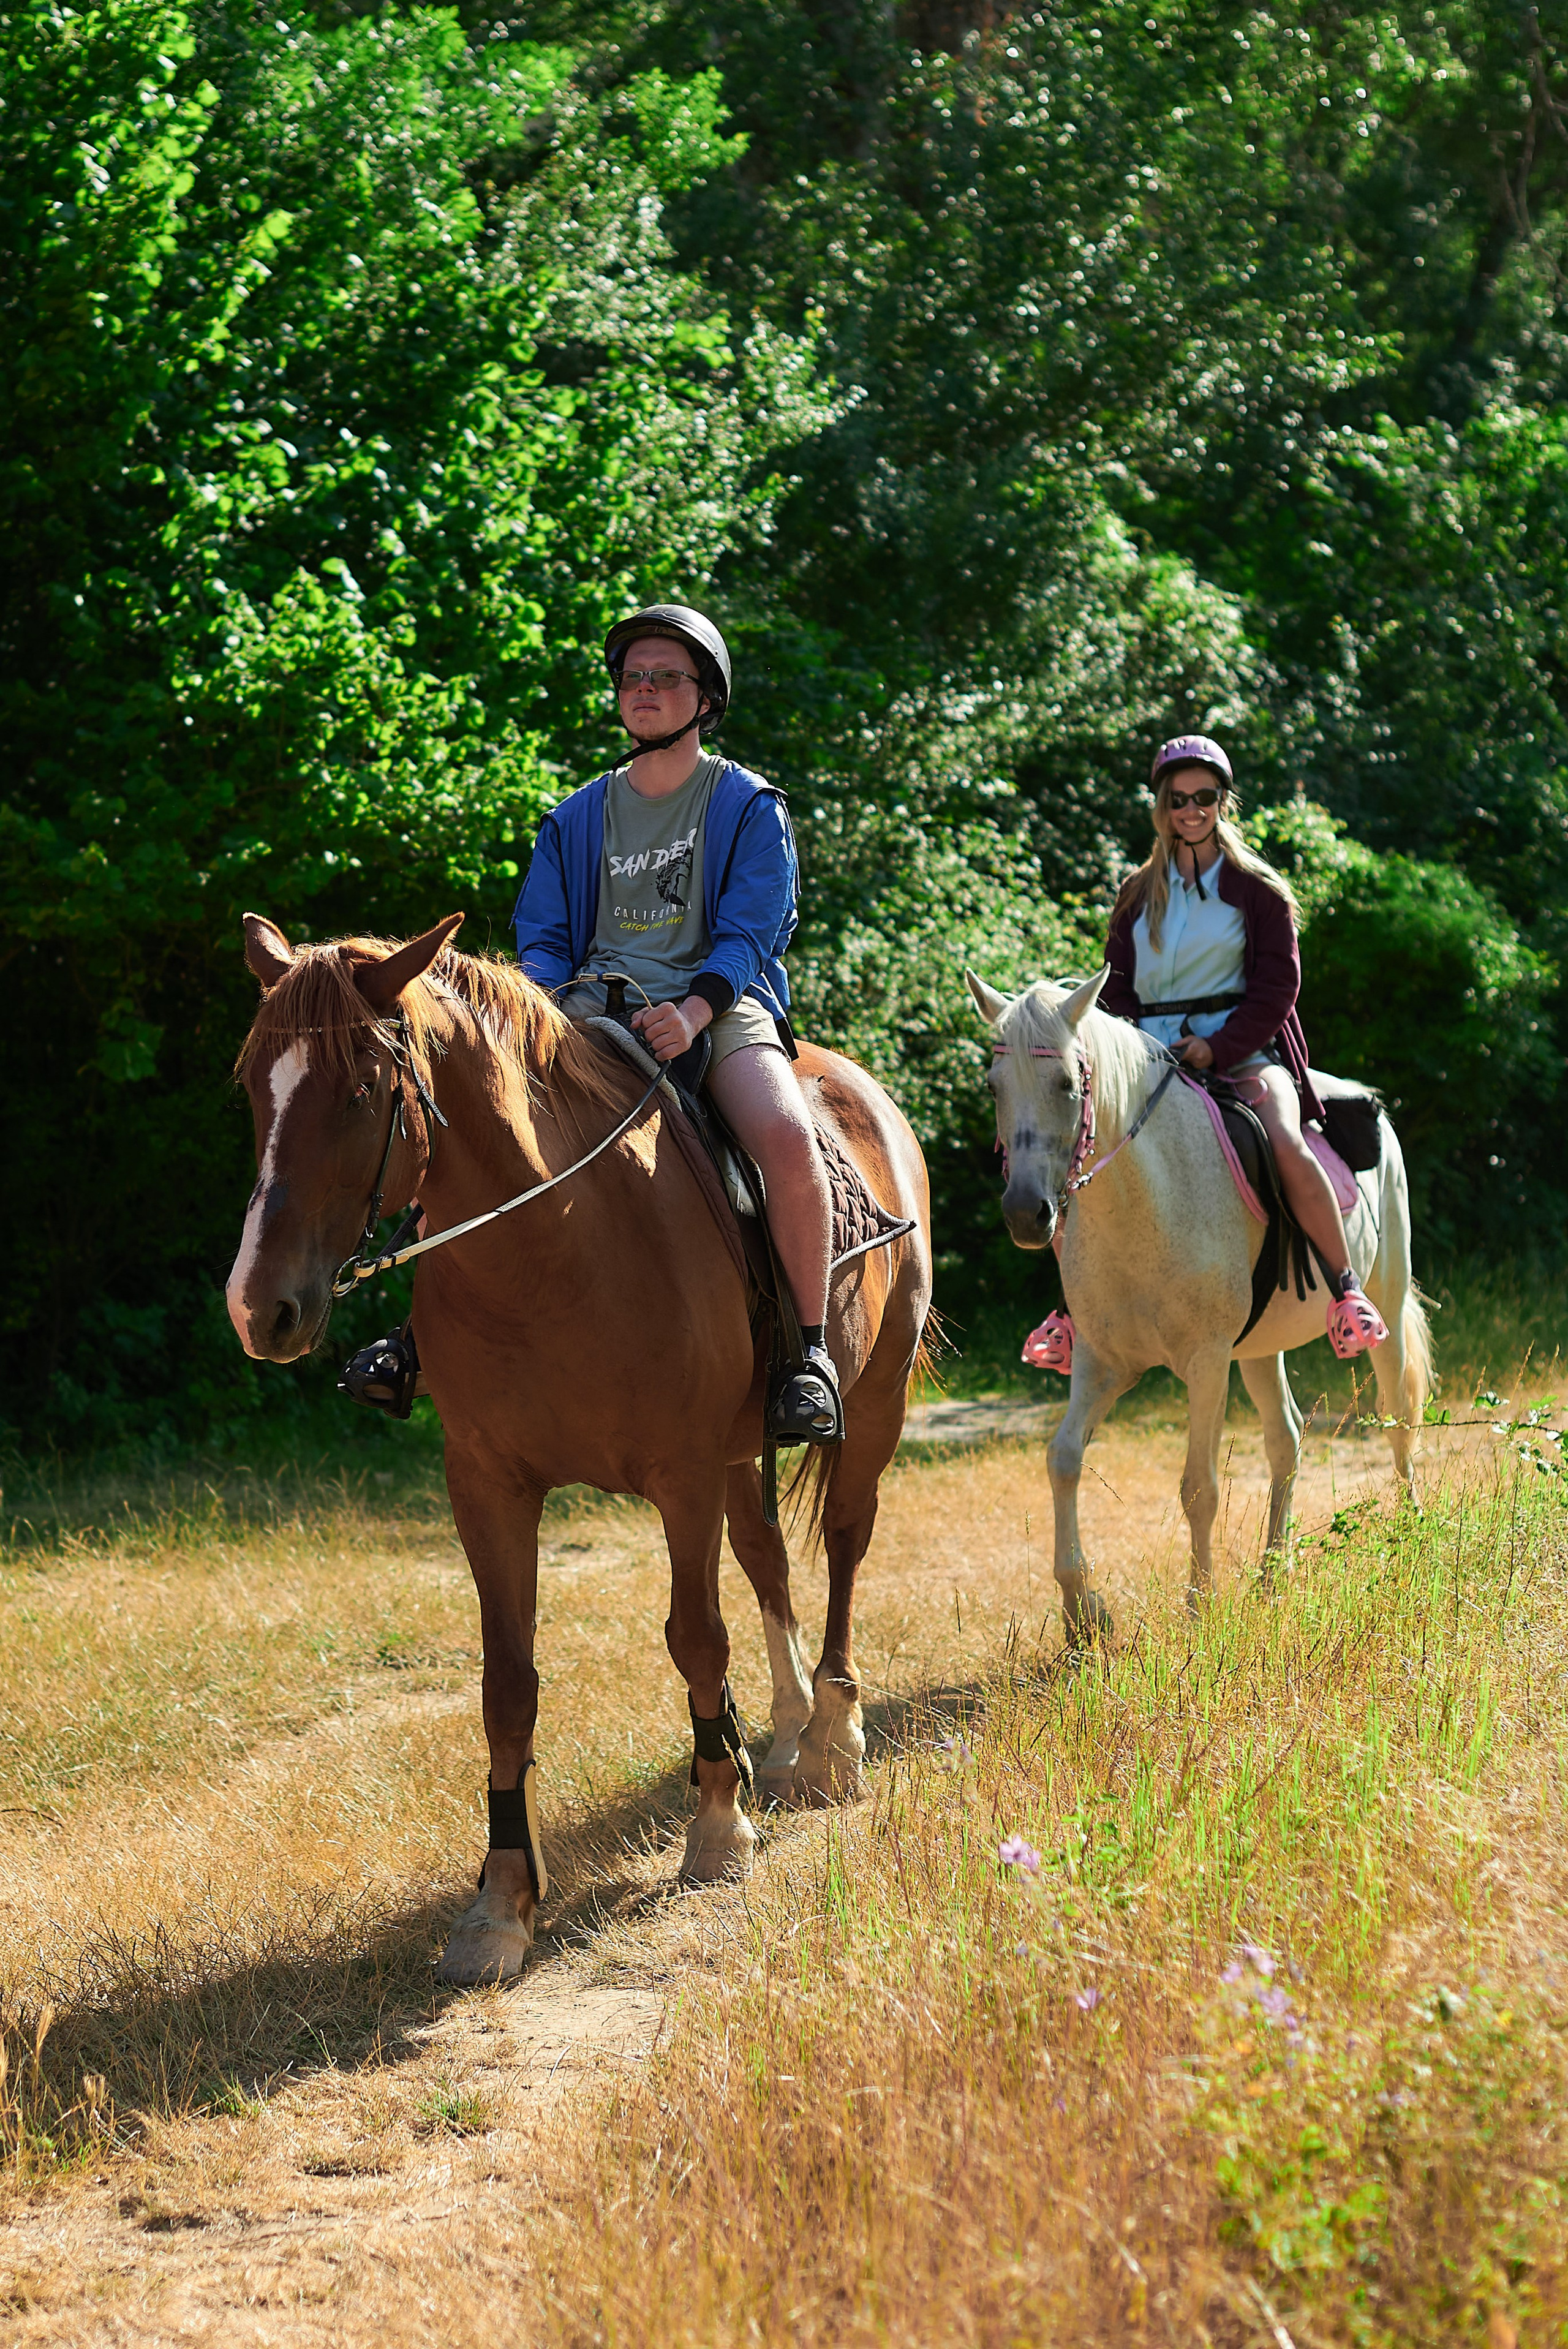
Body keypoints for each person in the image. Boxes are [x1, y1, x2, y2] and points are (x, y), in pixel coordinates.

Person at [511, 603, 842, 1441]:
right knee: (482, 1120)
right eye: (633, 677)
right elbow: (544, 943)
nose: (645, 690)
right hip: (590, 1013)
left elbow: (753, 929)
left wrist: (695, 1010)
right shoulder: (575, 817)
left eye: (666, 676)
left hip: (719, 1008)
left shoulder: (747, 803)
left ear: (706, 699)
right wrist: (537, 1021)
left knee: (786, 1134)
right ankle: (414, 1342)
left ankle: (811, 1356)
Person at [1098, 733, 1389, 1360]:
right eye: (1177, 798)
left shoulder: (1259, 889)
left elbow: (1278, 986)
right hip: (1147, 1063)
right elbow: (1114, 989)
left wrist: (1218, 1046)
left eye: (1204, 796)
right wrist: (1130, 1050)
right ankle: (1076, 1310)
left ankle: (1346, 1291)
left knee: (1284, 1141)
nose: (1190, 809)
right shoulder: (1134, 893)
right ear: (1161, 806)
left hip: (1243, 1053)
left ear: (1223, 801)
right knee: (1083, 1149)